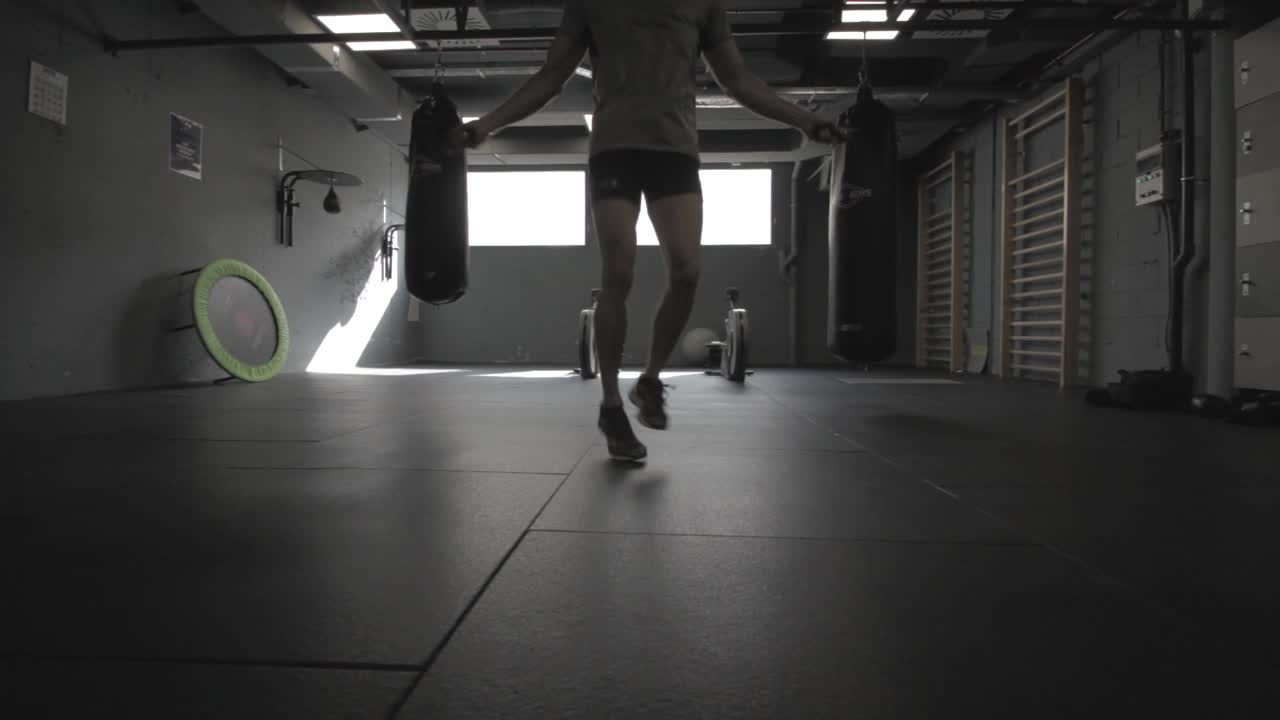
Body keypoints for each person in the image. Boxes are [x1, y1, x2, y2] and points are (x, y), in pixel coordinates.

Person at [455, 1, 844, 461]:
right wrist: (487, 124)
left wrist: (803, 119)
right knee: (619, 268)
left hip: (674, 152)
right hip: (614, 151)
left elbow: (737, 79)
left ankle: (650, 380)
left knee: (687, 271)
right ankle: (611, 406)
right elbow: (551, 77)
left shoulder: (704, 5)